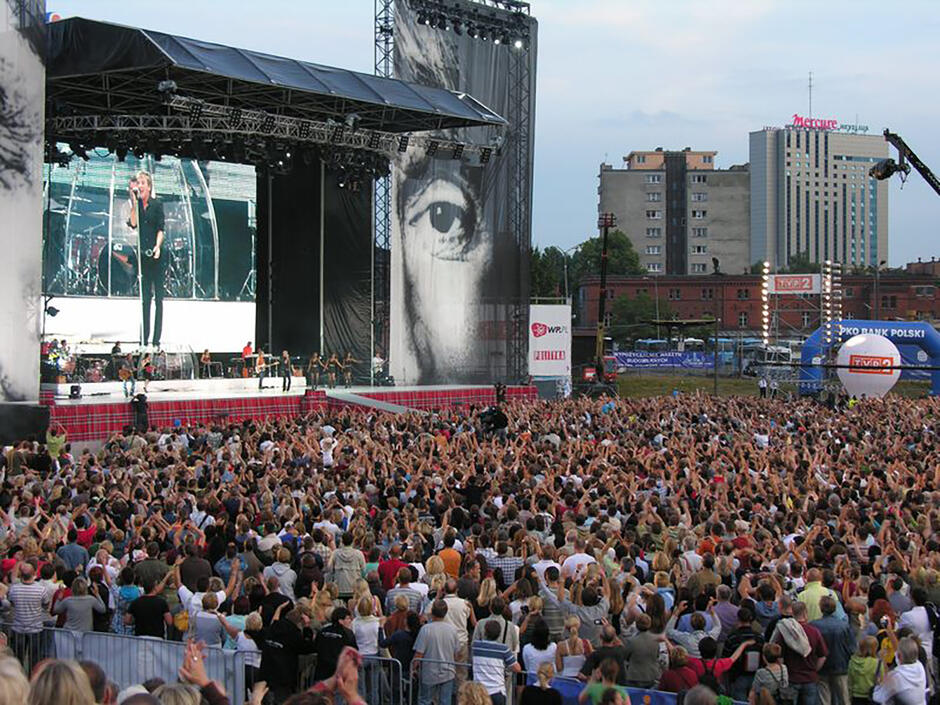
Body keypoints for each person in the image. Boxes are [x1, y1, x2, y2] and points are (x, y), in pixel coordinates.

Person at [127, 171, 165, 348]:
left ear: (149, 186)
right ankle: (143, 339)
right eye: (138, 183)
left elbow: (160, 229)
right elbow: (133, 224)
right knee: (145, 299)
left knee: (158, 299)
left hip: (156, 255)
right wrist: (134, 202)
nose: (140, 186)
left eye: (143, 183)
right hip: (143, 256)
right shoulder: (136, 205)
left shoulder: (157, 205)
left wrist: (158, 246)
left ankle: (156, 341)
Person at [414, 600, 461, 705]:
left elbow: (419, 654)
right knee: (445, 701)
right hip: (448, 672)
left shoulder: (426, 629)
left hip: (429, 672)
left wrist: (413, 668)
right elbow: (456, 654)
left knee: (424, 700)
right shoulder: (452, 630)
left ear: (432, 612)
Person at [812, 595, 857, 705]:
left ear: (821, 608)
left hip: (822, 667)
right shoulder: (844, 626)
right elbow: (852, 648)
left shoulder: (814, 626)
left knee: (824, 698)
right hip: (840, 665)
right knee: (844, 698)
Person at [472, 618, 522, 705]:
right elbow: (517, 668)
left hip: (479, 691)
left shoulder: (476, 646)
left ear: (485, 632)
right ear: (499, 634)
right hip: (497, 691)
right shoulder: (503, 649)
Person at [872, 637, 927, 705]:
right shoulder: (920, 666)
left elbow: (878, 697)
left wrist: (880, 661)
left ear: (899, 656)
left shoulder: (896, 676)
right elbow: (902, 659)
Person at [847, 636, 880, 705]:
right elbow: (881, 681)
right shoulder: (878, 663)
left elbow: (850, 681)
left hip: (856, 696)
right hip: (872, 696)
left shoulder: (852, 661)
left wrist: (849, 696)